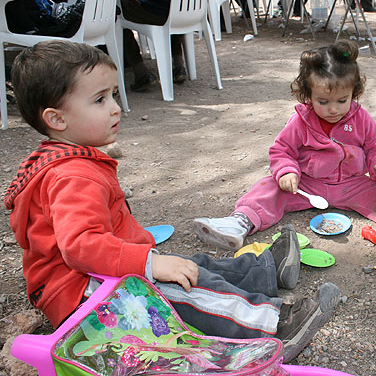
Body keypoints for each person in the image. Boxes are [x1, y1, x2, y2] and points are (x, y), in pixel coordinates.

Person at [3, 40, 340, 363]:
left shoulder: (57, 158)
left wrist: (148, 260)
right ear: (57, 119)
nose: (116, 107)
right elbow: (81, 247)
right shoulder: (72, 175)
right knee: (186, 290)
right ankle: (274, 325)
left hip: (95, 275)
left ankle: (261, 271)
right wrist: (148, 265)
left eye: (114, 95)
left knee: (189, 266)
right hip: (86, 296)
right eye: (100, 100)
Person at [193, 40, 376, 252]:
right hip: (307, 185)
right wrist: (287, 172)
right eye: (323, 102)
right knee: (267, 188)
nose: (333, 109)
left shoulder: (361, 117)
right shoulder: (300, 120)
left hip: (353, 184)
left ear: (354, 93)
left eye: (342, 100)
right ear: (308, 95)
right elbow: (282, 151)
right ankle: (239, 222)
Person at [118, 0, 217, 92]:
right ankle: (178, 64)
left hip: (155, 11)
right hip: (193, 10)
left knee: (117, 10)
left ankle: (140, 71)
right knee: (173, 1)